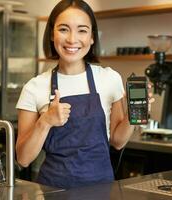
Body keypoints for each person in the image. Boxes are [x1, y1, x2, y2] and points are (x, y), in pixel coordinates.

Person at [15, 0, 154, 189]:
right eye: (64, 29)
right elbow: (23, 159)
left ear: (92, 37)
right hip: (54, 191)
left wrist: (135, 114)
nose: (72, 39)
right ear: (51, 34)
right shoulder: (35, 87)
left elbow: (118, 141)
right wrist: (45, 121)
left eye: (82, 30)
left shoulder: (109, 79)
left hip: (101, 190)